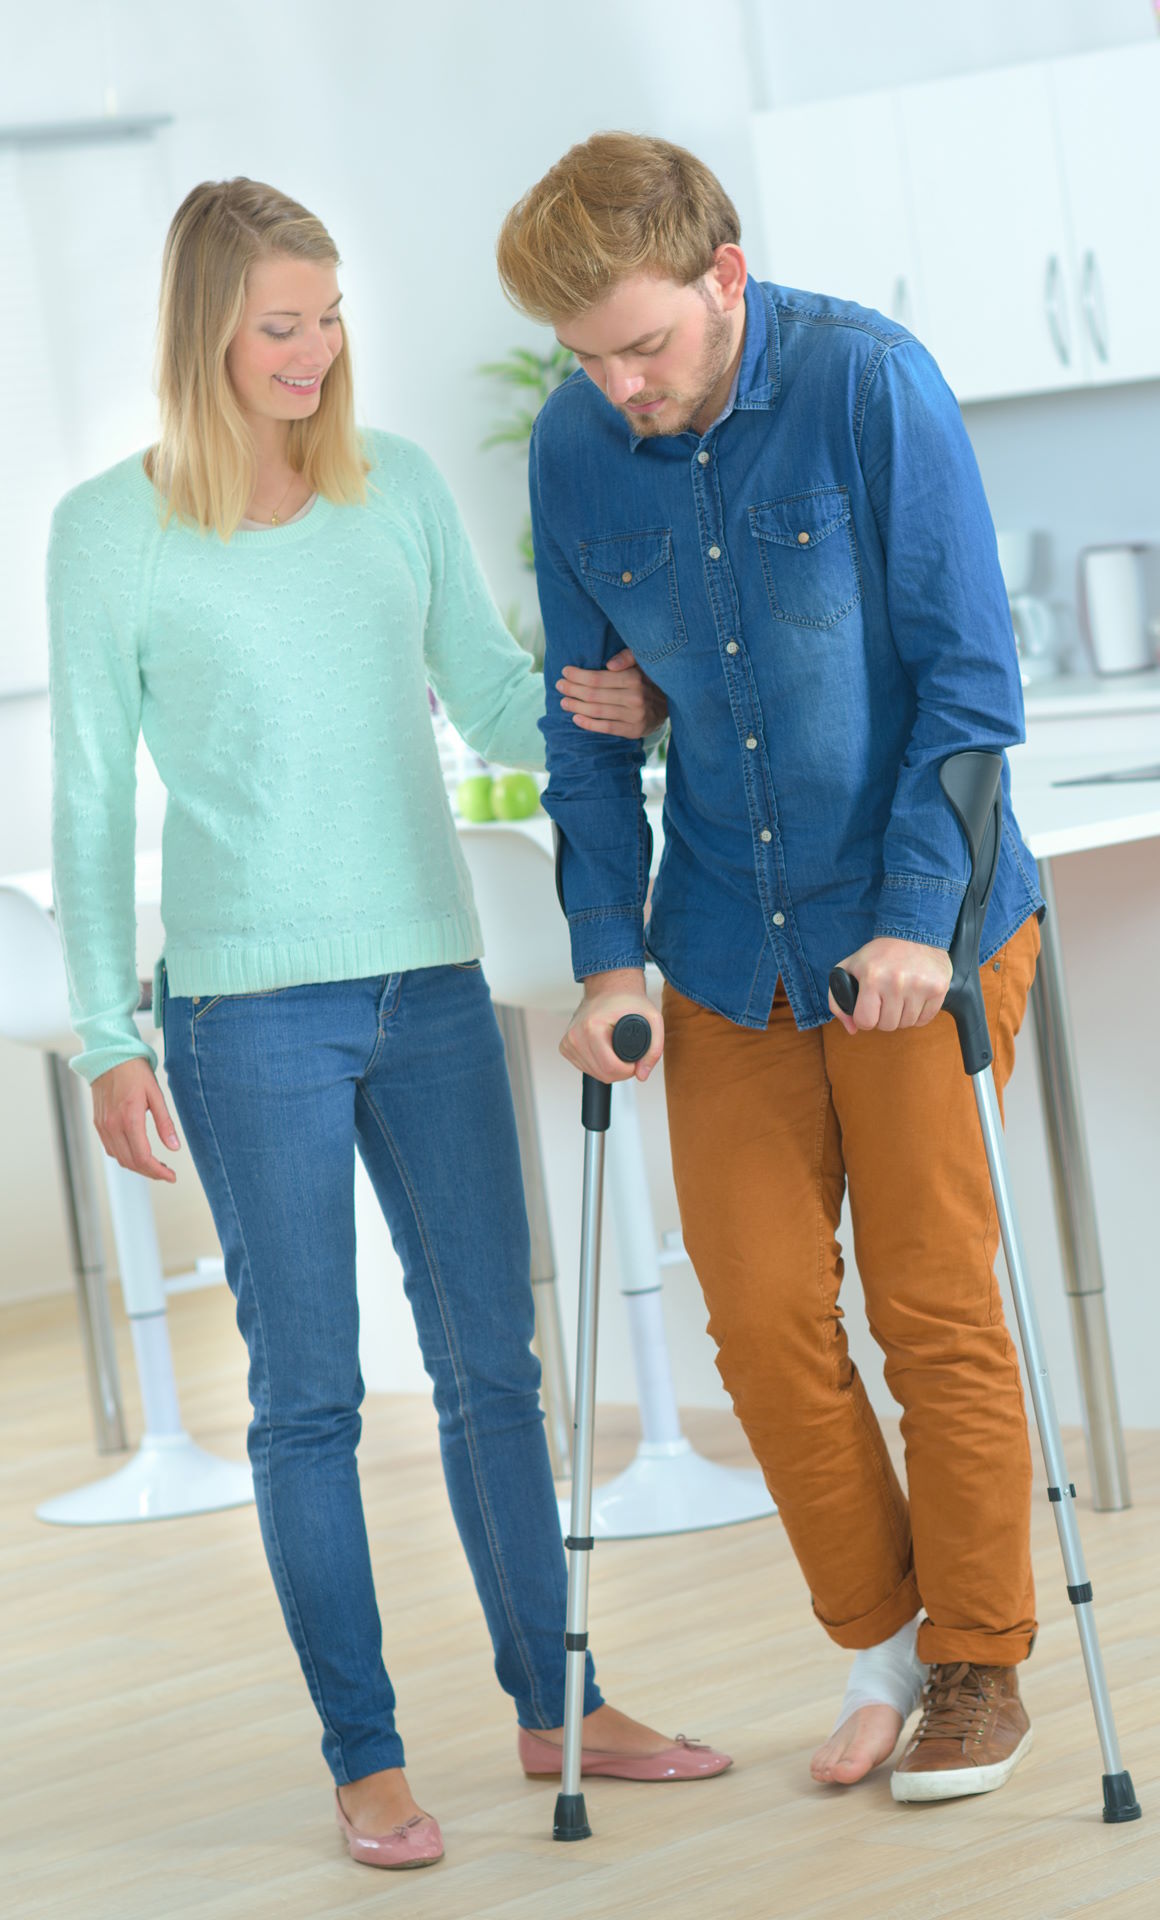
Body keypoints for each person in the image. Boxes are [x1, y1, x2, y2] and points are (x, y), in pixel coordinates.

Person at [48, 175, 731, 1875]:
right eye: (280, 325)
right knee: (309, 1399)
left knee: (494, 1363)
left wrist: (622, 698)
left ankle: (555, 1701)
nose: (315, 351)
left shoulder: (397, 487)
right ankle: (364, 1757)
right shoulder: (109, 532)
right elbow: (87, 797)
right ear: (204, 332)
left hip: (426, 984)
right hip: (241, 1015)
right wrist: (105, 1032)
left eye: (331, 316)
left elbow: (493, 700)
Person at [497, 133, 1045, 1804]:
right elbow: (586, 732)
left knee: (929, 1308)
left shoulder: (868, 385)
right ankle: (882, 1650)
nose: (619, 386)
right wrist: (605, 960)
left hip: (915, 929)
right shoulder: (575, 447)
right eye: (587, 358)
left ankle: (977, 1667)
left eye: (643, 344)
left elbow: (967, 683)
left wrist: (914, 916)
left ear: (722, 277)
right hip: (727, 941)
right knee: (755, 1319)